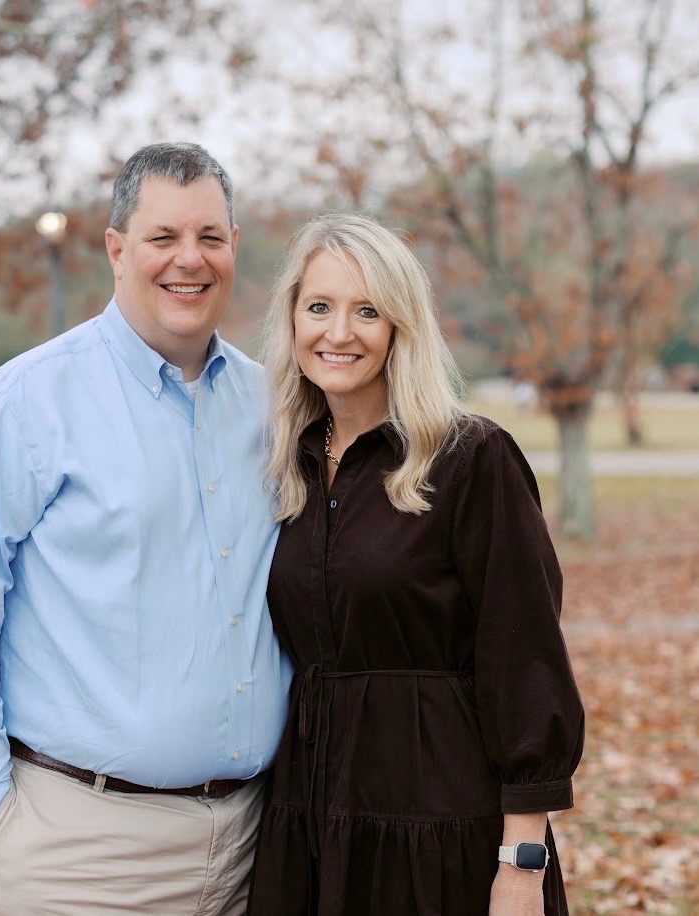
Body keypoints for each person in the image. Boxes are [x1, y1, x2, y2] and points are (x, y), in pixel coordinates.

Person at [0, 142, 293, 915]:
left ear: (234, 247)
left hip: (253, 843)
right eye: (162, 238)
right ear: (116, 249)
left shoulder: (272, 406)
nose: (190, 260)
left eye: (210, 237)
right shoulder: (21, 404)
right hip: (78, 857)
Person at [246, 214, 585, 916]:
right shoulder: (287, 466)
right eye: (320, 307)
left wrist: (522, 861)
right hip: (308, 819)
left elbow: (525, 660)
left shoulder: (472, 459)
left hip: (438, 830)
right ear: (293, 320)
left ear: (402, 326)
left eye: (367, 310)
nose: (339, 333)